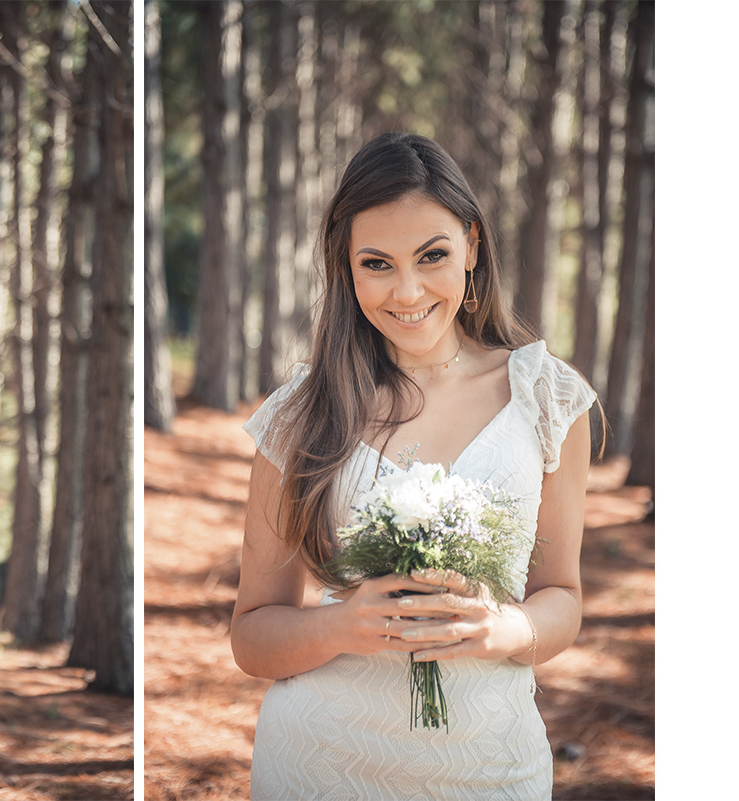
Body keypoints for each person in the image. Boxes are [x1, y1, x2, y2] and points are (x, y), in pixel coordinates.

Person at [231, 132, 597, 800]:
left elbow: (563, 599)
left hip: (493, 768)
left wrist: (503, 626)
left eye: (433, 255)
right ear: (346, 268)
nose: (407, 290)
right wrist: (338, 625)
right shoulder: (300, 413)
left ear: (472, 246)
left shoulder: (546, 397)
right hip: (319, 765)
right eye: (376, 263)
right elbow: (253, 636)